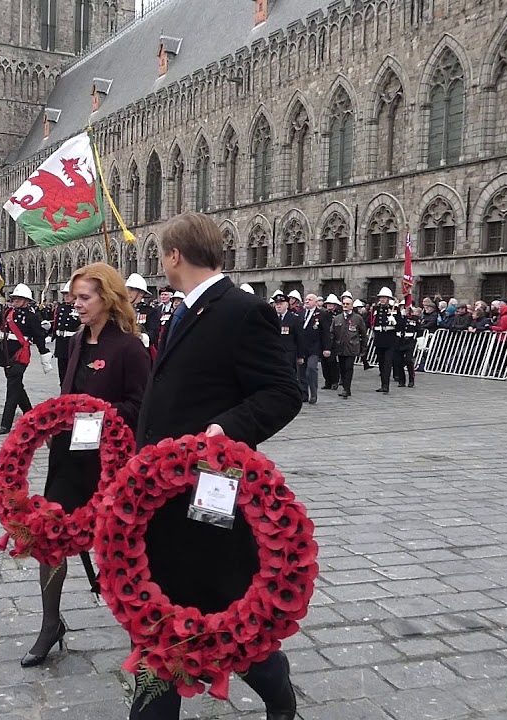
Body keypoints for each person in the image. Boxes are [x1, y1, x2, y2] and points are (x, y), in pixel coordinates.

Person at [130, 212, 302, 720]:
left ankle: (272, 678)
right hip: (162, 490)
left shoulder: (242, 311)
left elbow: (283, 392)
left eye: (161, 254)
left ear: (174, 256)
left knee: (217, 599)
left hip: (211, 486)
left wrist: (226, 428)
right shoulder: (181, 310)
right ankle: (154, 702)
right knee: (165, 601)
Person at [21, 262, 151, 668]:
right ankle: (50, 623)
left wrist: (98, 414)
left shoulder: (129, 347)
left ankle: (142, 632)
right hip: (68, 458)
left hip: (108, 464)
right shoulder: (76, 340)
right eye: (73, 297)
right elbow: (70, 394)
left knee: (118, 549)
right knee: (48, 538)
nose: (75, 303)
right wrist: (57, 418)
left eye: (84, 297)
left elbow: (142, 407)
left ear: (107, 299)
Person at [0, 283, 52, 435]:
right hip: (6, 354)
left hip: (20, 355)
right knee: (17, 387)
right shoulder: (8, 312)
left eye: (19, 299)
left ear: (26, 301)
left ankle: (5, 424)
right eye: (14, 298)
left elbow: (39, 336)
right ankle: (32, 417)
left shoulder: (31, 317)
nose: (15, 301)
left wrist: (44, 355)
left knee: (12, 389)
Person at [295, 294, 331, 404]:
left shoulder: (321, 314)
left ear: (315, 302)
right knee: (301, 372)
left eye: (310, 300)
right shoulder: (300, 313)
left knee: (311, 369)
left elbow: (326, 332)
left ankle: (314, 394)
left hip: (314, 348)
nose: (307, 301)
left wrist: (327, 348)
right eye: (306, 299)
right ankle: (304, 394)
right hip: (301, 348)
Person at [331, 294, 366, 397]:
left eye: (348, 304)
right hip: (340, 347)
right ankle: (344, 386)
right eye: (344, 304)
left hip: (352, 347)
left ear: (352, 306)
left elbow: (363, 334)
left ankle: (347, 389)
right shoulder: (337, 318)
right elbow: (332, 333)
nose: (345, 306)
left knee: (348, 367)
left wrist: (363, 349)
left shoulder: (357, 318)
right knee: (342, 368)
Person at [369, 288, 402, 393]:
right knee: (381, 362)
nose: (382, 299)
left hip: (389, 338)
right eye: (381, 298)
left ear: (388, 299)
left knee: (387, 363)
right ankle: (383, 384)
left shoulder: (394, 309)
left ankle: (386, 385)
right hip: (379, 338)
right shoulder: (375, 309)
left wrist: (395, 322)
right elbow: (370, 322)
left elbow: (401, 325)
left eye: (384, 298)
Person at [50, 282, 81, 383]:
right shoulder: (61, 308)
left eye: (69, 293)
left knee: (73, 373)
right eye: (64, 294)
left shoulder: (79, 308)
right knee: (62, 373)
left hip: (73, 342)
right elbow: (57, 324)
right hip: (61, 343)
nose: (66, 296)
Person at [320, 295, 342, 390]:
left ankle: (334, 381)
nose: (329, 305)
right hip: (324, 340)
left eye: (331, 304)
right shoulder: (323, 314)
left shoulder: (338, 315)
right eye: (328, 304)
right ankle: (327, 381)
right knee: (324, 363)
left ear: (335, 305)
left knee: (332, 362)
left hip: (334, 341)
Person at [396, 305, 422, 387]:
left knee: (408, 360)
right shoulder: (399, 318)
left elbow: (419, 330)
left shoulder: (414, 319)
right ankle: (401, 380)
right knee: (399, 361)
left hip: (409, 341)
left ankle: (411, 379)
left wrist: (420, 342)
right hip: (399, 340)